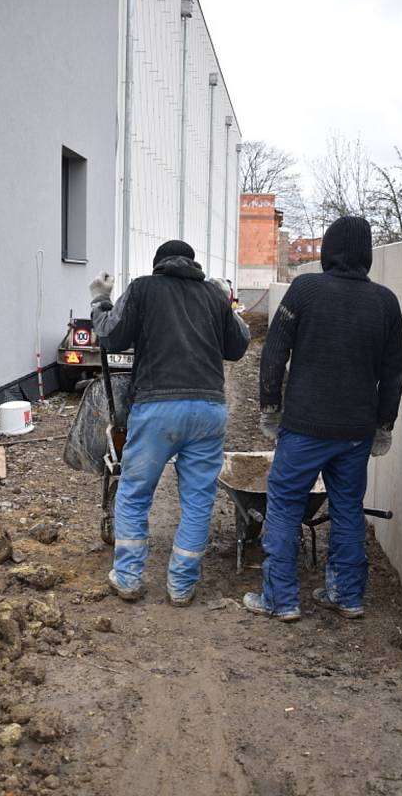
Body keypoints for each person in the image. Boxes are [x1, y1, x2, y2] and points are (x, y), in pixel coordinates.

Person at [243, 216, 402, 622]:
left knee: (282, 506)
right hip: (355, 431)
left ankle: (280, 600)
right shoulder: (385, 302)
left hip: (304, 427)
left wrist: (270, 408)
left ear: (328, 251)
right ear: (367, 254)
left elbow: (274, 355)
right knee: (348, 508)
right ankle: (347, 596)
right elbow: (396, 370)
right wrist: (383, 426)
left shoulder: (306, 290)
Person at [89, 240, 250, 606]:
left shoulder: (144, 288)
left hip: (157, 409)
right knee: (197, 501)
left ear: (158, 264)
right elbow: (238, 347)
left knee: (134, 492)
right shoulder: (211, 295)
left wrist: (100, 300)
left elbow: (111, 335)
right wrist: (226, 304)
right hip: (208, 411)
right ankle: (181, 585)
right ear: (193, 265)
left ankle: (128, 578)